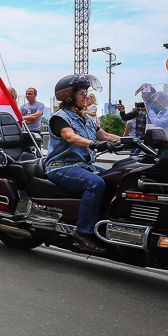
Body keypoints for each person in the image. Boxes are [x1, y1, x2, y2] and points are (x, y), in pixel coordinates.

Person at [45, 74, 122, 253]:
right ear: (68, 95)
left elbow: (107, 136)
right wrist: (94, 143)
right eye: (81, 92)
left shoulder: (86, 118)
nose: (85, 96)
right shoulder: (60, 117)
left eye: (86, 92)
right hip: (61, 166)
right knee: (94, 183)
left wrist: (136, 141)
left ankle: (105, 226)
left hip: (83, 166)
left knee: (117, 179)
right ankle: (83, 233)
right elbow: (70, 137)